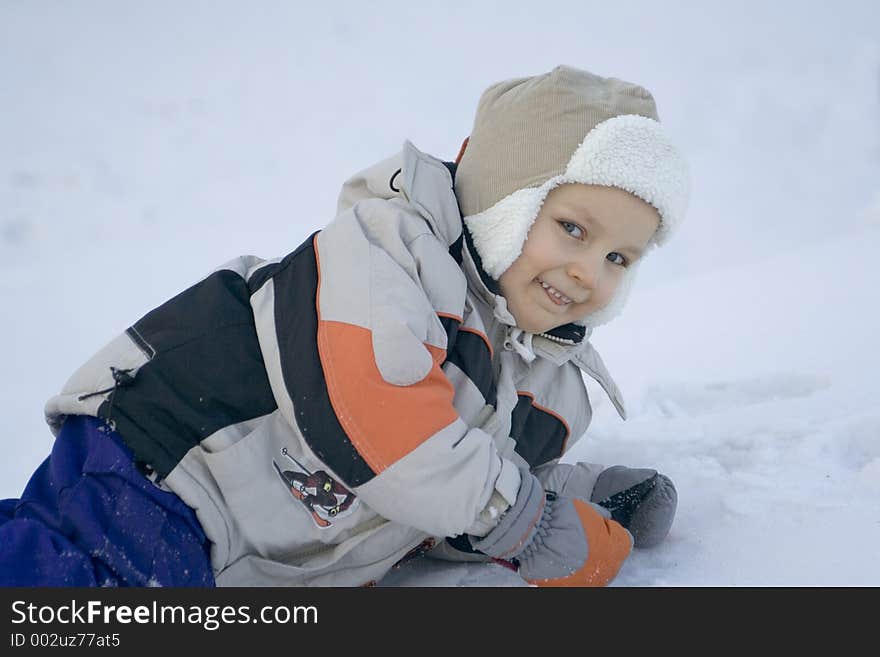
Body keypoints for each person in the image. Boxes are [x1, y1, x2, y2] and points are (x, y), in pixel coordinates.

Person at [0, 65, 689, 587]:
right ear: (506, 197)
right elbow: (378, 416)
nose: (586, 271)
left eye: (618, 257)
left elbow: (446, 505)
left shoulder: (551, 393)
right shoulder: (389, 251)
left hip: (248, 558)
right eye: (571, 228)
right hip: (166, 469)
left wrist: (566, 499)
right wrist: (529, 520)